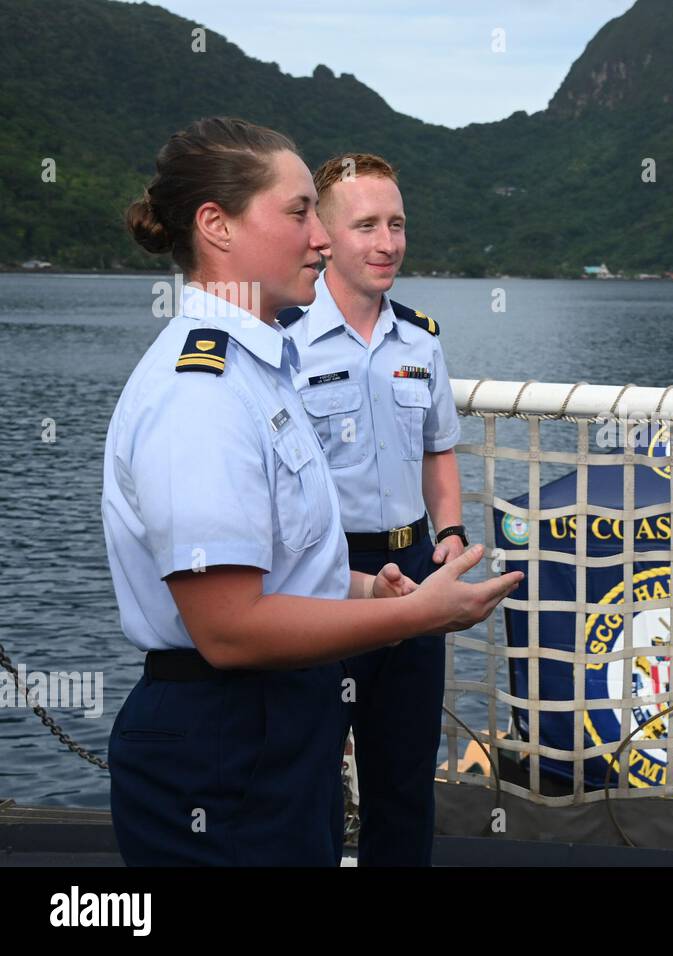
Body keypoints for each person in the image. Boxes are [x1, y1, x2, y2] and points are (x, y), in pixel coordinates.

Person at [104, 117, 522, 866]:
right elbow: (229, 630)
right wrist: (422, 611)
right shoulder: (203, 393)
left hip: (270, 723)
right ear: (216, 226)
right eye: (299, 213)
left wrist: (365, 590)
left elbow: (278, 553)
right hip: (225, 736)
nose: (321, 239)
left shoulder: (253, 369)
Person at [277, 153, 462, 866]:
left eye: (397, 225)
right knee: (312, 769)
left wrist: (447, 530)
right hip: (324, 572)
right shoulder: (284, 341)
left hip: (414, 565)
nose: (387, 243)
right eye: (366, 226)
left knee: (407, 772)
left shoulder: (420, 338)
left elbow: (438, 450)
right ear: (322, 233)